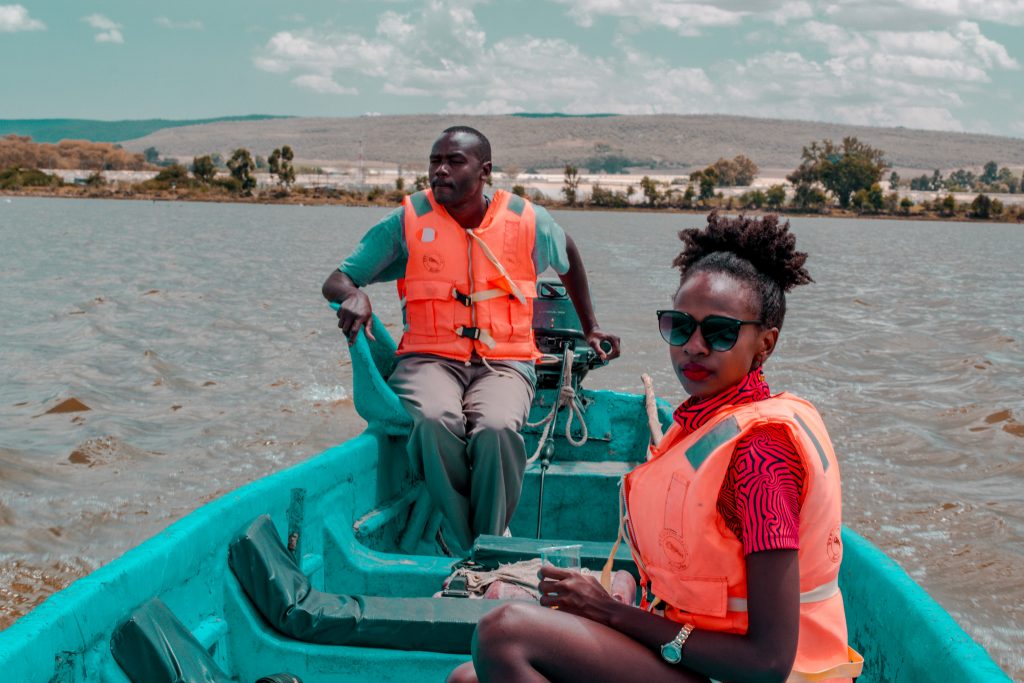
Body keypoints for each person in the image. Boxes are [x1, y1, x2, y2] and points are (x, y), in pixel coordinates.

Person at [449, 213, 863, 682]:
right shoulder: (703, 424)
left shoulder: (761, 454)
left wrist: (611, 613)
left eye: (721, 332)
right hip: (700, 660)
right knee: (467, 679)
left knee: (504, 632)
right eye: (679, 326)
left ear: (764, 344)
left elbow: (767, 662)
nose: (695, 346)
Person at [322, 126, 620, 556]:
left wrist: (590, 326)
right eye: (434, 161)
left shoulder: (525, 219)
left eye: (453, 161)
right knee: (435, 421)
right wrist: (354, 295)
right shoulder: (408, 221)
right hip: (428, 359)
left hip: (505, 361)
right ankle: (481, 549)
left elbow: (567, 253)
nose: (439, 170)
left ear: (485, 171)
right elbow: (338, 279)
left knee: (497, 429)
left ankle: (472, 542)